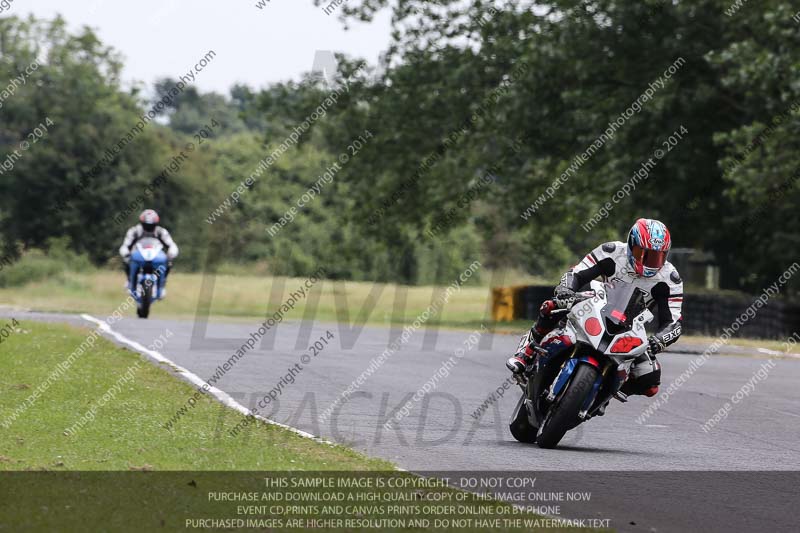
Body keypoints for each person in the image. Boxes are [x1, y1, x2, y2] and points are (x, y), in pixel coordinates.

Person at [506, 218, 683, 398]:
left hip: (631, 327)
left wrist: (659, 340)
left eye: (656, 256)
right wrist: (566, 289)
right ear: (631, 244)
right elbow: (576, 273)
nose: (648, 262)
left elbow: (674, 323)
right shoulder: (611, 251)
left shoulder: (670, 278)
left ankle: (604, 394)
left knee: (650, 382)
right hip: (596, 304)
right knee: (551, 307)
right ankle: (525, 353)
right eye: (642, 253)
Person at [119, 209, 179, 295]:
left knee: (168, 263)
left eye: (151, 225)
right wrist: (126, 253)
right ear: (142, 223)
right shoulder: (134, 231)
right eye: (146, 225)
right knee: (126, 261)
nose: (148, 228)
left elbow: (171, 245)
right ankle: (130, 281)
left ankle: (162, 284)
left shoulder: (161, 232)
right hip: (137, 257)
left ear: (156, 224)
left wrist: (170, 254)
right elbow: (125, 245)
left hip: (156, 257)